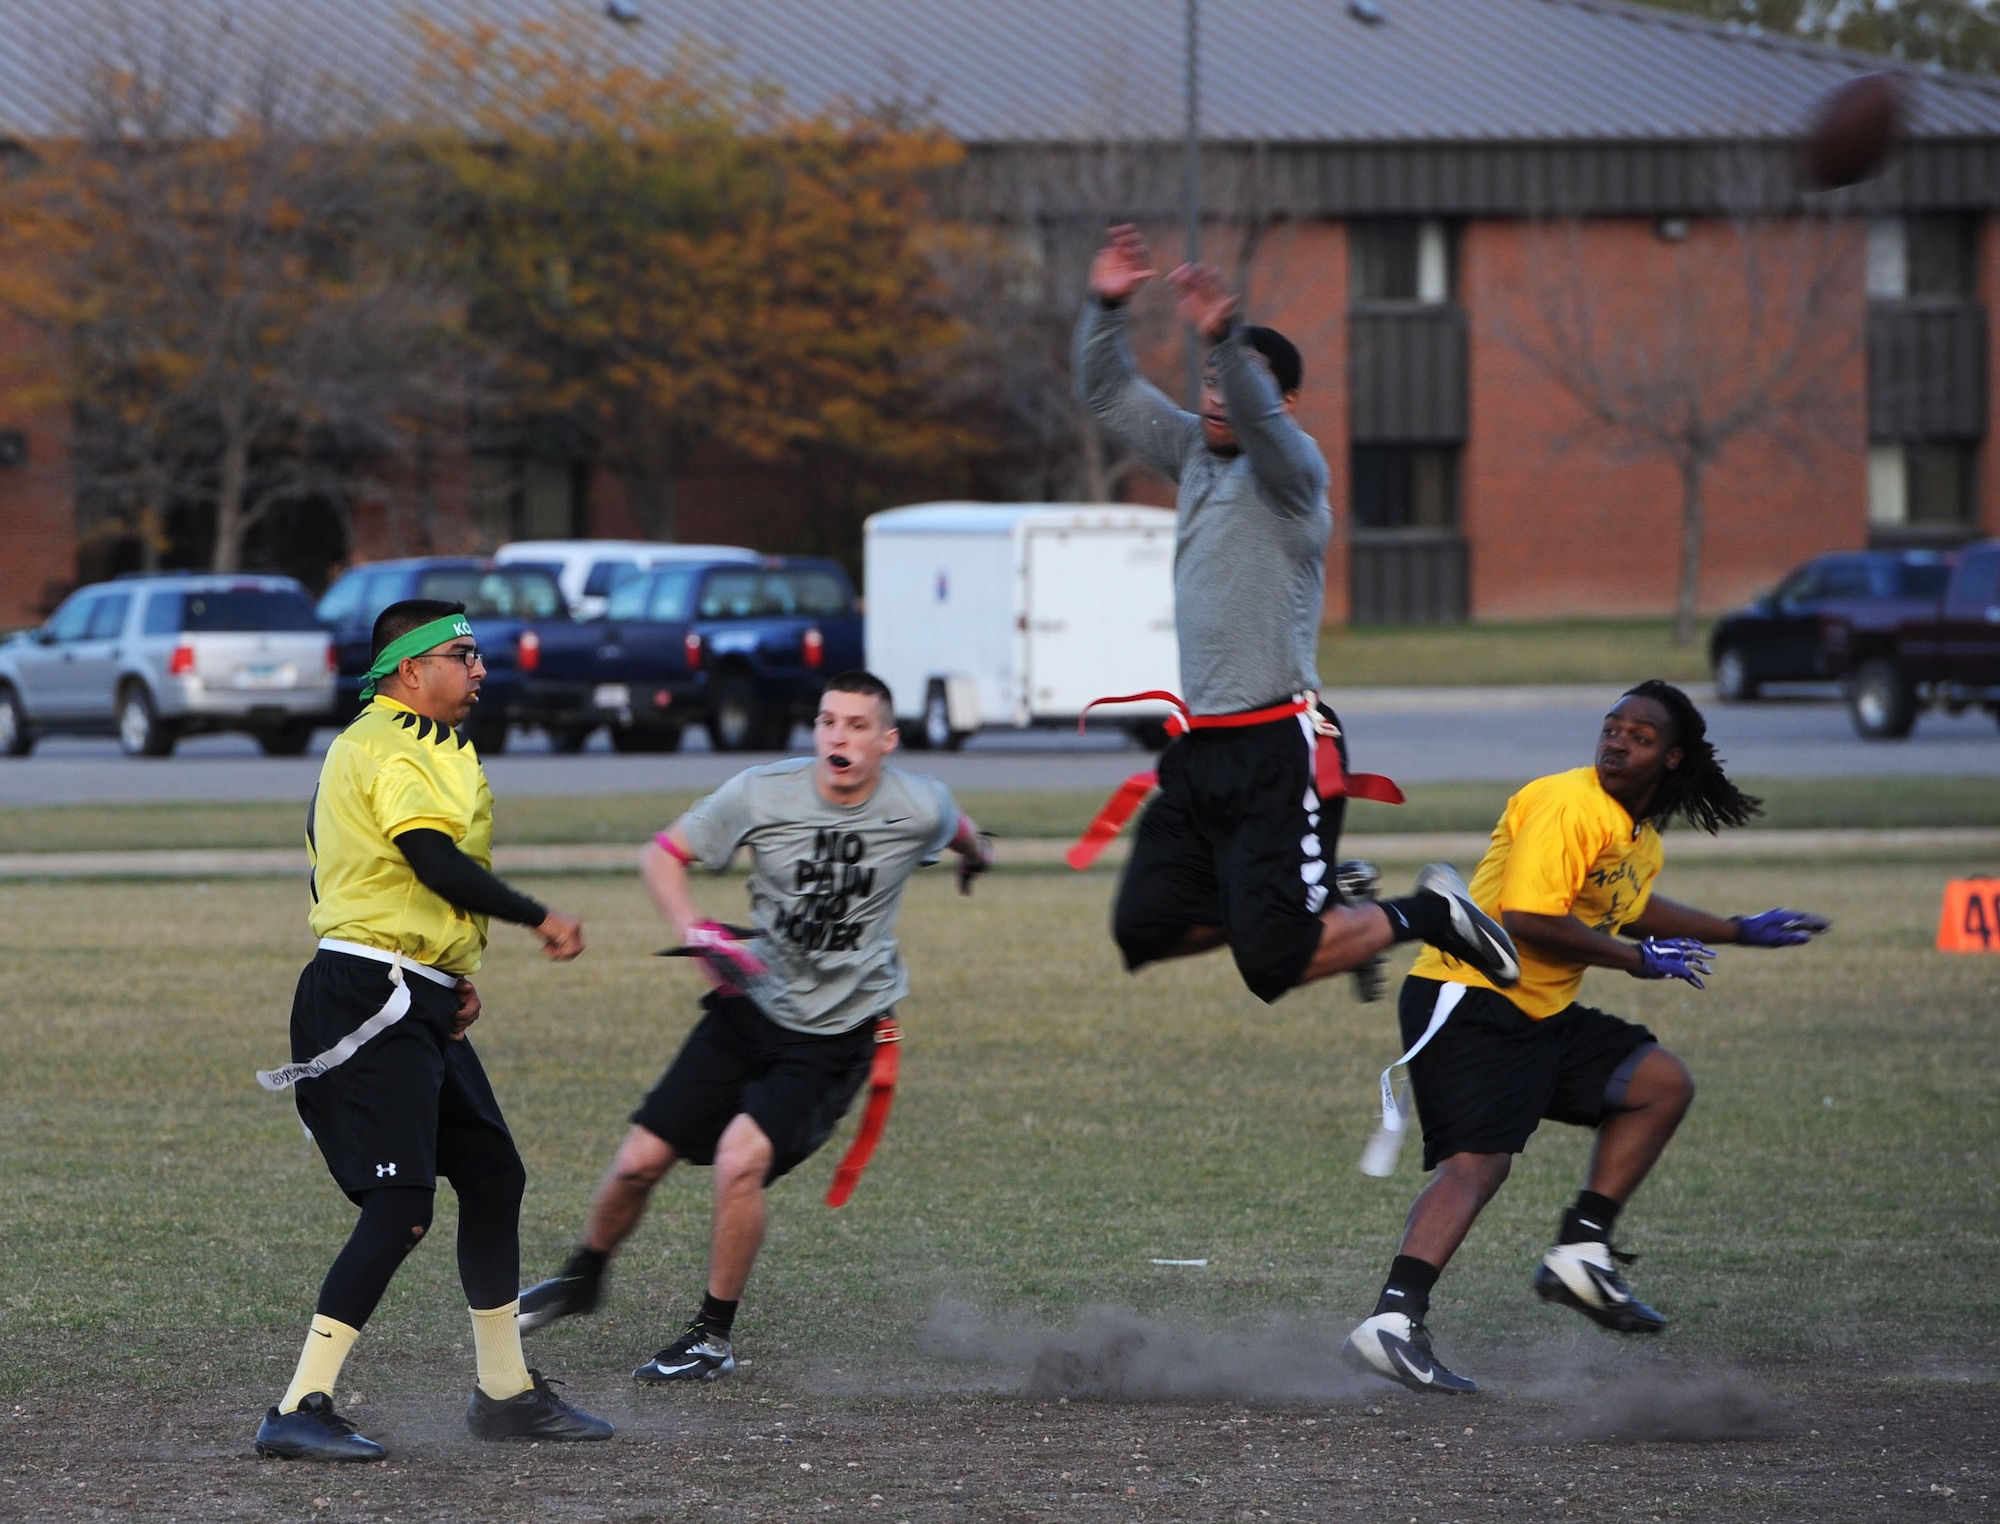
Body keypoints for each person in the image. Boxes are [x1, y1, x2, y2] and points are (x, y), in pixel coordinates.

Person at [1073, 223, 1520, 1005]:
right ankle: (1312, 906)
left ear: (1284, 404)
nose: (1217, 396)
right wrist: (1105, 307)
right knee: (1143, 925)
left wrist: (1229, 338)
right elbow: (1108, 391)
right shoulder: (1193, 455)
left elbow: (1269, 432)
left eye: (1236, 383)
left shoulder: (1294, 477)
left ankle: (1428, 912)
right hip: (1203, 749)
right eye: (1210, 380)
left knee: (1271, 962)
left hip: (1278, 746)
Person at [1344, 681, 1829, 1394]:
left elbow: (1627, 908)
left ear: (1673, 757)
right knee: (1477, 1167)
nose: (1617, 741)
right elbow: (1529, 916)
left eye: (1639, 735)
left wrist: (1735, 928)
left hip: (1538, 1012)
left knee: (1658, 1082)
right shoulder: (1568, 802)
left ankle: (1581, 1249)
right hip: (1470, 996)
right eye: (1611, 727)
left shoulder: (1638, 837)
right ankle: (1391, 1323)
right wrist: (1639, 962)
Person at [516, 669, 994, 1383]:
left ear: (887, 741)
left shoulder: (917, 805)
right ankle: (584, 1276)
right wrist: (696, 932)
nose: (839, 736)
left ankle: (712, 1337)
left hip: (836, 1035)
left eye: (858, 725)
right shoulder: (762, 791)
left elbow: (963, 833)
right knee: (638, 1162)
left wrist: (976, 861)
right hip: (750, 1003)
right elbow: (661, 855)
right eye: (829, 721)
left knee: (741, 1161)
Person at [253, 599, 612, 1462]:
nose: (480, 669)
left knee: (493, 1175)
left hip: (414, 989)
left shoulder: (440, 746)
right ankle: (299, 1406)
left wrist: (453, 972)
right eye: (463, 654)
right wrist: (536, 916)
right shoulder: (381, 743)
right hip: (366, 992)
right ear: (410, 671)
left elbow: (425, 889)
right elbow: (432, 862)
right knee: (401, 1205)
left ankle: (506, 1394)